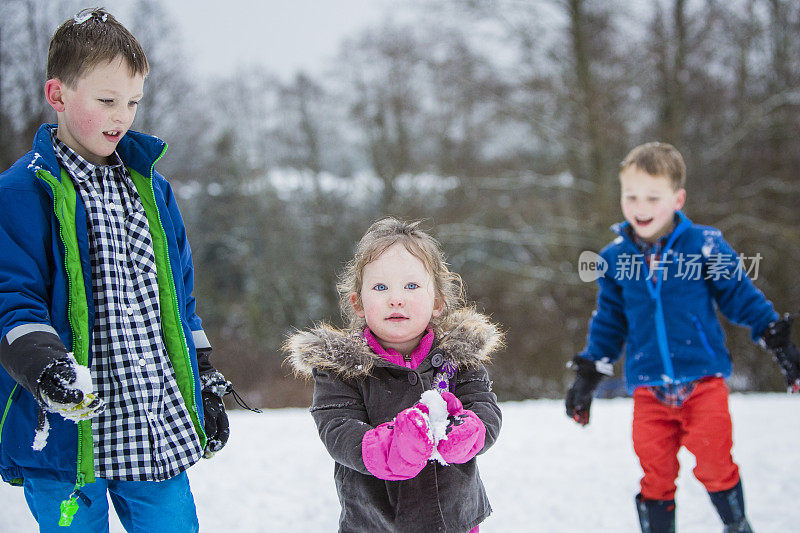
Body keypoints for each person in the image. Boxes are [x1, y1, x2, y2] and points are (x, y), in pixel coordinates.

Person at [0, 8, 231, 531]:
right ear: (57, 95)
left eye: (133, 102)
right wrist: (46, 370)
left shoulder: (153, 190)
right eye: (106, 101)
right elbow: (11, 299)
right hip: (66, 427)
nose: (122, 115)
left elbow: (179, 300)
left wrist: (204, 374)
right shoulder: (21, 194)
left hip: (149, 422)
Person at [565, 141, 800, 533]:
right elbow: (610, 321)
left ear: (677, 198)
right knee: (654, 474)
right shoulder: (615, 258)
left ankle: (736, 523)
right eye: (631, 195)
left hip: (703, 383)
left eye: (652, 197)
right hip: (648, 390)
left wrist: (775, 337)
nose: (640, 206)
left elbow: (739, 296)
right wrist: (590, 374)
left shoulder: (703, 246)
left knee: (715, 463)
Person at [285, 217, 502, 532]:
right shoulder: (340, 369)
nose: (396, 298)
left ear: (438, 302)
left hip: (453, 522)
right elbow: (338, 429)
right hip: (375, 523)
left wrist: (468, 432)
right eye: (380, 287)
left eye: (411, 285)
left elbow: (484, 406)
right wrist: (388, 449)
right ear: (358, 303)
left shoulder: (459, 357)